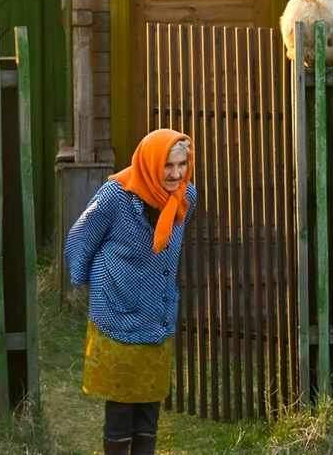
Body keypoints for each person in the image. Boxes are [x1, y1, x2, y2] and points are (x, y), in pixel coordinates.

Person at [64, 129, 197, 455]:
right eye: (168, 165)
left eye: (182, 164)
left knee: (149, 406)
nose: (176, 173)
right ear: (151, 163)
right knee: (121, 407)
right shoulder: (116, 197)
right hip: (117, 311)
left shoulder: (185, 196)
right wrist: (87, 284)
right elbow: (79, 238)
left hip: (156, 315)